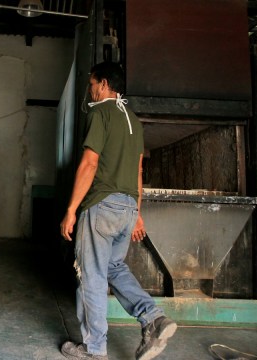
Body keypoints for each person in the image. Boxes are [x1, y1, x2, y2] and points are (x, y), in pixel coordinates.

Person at [59, 62, 176, 360]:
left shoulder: (100, 113)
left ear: (104, 84)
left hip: (102, 206)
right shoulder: (134, 121)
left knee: (91, 275)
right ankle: (153, 318)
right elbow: (138, 169)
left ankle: (94, 348)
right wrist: (136, 212)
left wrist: (72, 209)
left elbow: (90, 163)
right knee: (113, 267)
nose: (90, 90)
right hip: (126, 208)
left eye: (92, 84)